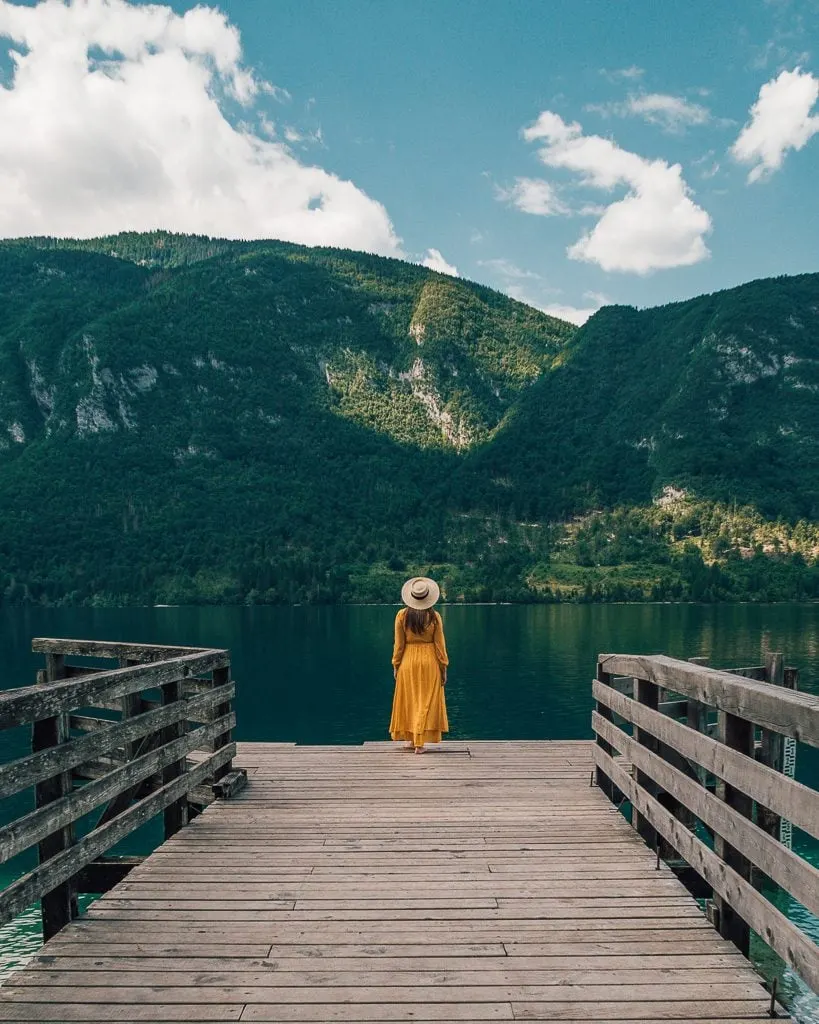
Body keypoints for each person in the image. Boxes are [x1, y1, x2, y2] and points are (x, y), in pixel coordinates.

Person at [389, 576, 449, 753]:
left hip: (408, 661)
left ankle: (413, 739)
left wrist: (395, 664)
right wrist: (443, 666)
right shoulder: (434, 617)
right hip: (430, 661)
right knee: (425, 702)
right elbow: (440, 645)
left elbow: (399, 645)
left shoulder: (401, 615)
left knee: (410, 700)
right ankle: (418, 743)